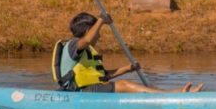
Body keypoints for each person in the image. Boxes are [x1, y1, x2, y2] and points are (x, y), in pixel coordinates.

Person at [56, 12, 203, 93]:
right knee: (125, 85)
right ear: (89, 31)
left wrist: (128, 68)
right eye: (97, 31)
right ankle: (172, 96)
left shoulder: (86, 51)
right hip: (80, 92)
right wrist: (101, 21)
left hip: (92, 88)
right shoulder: (75, 44)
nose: (99, 35)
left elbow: (103, 76)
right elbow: (87, 40)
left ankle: (176, 92)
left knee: (132, 85)